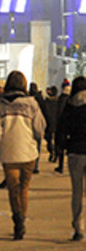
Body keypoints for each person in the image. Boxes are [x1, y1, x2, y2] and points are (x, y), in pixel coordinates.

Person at [0, 70, 46, 240]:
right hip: (28, 151)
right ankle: (22, 218)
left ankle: (17, 219)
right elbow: (40, 127)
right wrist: (37, 142)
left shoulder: (0, 104)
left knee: (13, 188)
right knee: (24, 188)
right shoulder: (31, 103)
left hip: (9, 151)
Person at [54, 76, 86, 241]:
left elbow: (61, 128)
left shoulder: (70, 106)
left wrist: (61, 146)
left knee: (77, 192)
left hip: (75, 151)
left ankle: (78, 227)